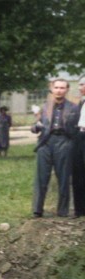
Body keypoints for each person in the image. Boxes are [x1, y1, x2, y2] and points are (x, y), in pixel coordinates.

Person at [31, 78, 80, 218]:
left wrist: (71, 142)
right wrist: (36, 127)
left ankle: (63, 211)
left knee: (64, 178)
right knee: (41, 177)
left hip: (64, 141)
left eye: (62, 88)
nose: (59, 90)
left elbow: (77, 128)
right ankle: (37, 210)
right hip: (45, 142)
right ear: (52, 89)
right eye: (56, 87)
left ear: (67, 90)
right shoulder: (45, 106)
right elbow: (34, 126)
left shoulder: (74, 108)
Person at [73, 76, 85, 218]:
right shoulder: (81, 103)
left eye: (82, 84)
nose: (79, 87)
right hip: (79, 136)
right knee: (78, 172)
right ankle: (80, 209)